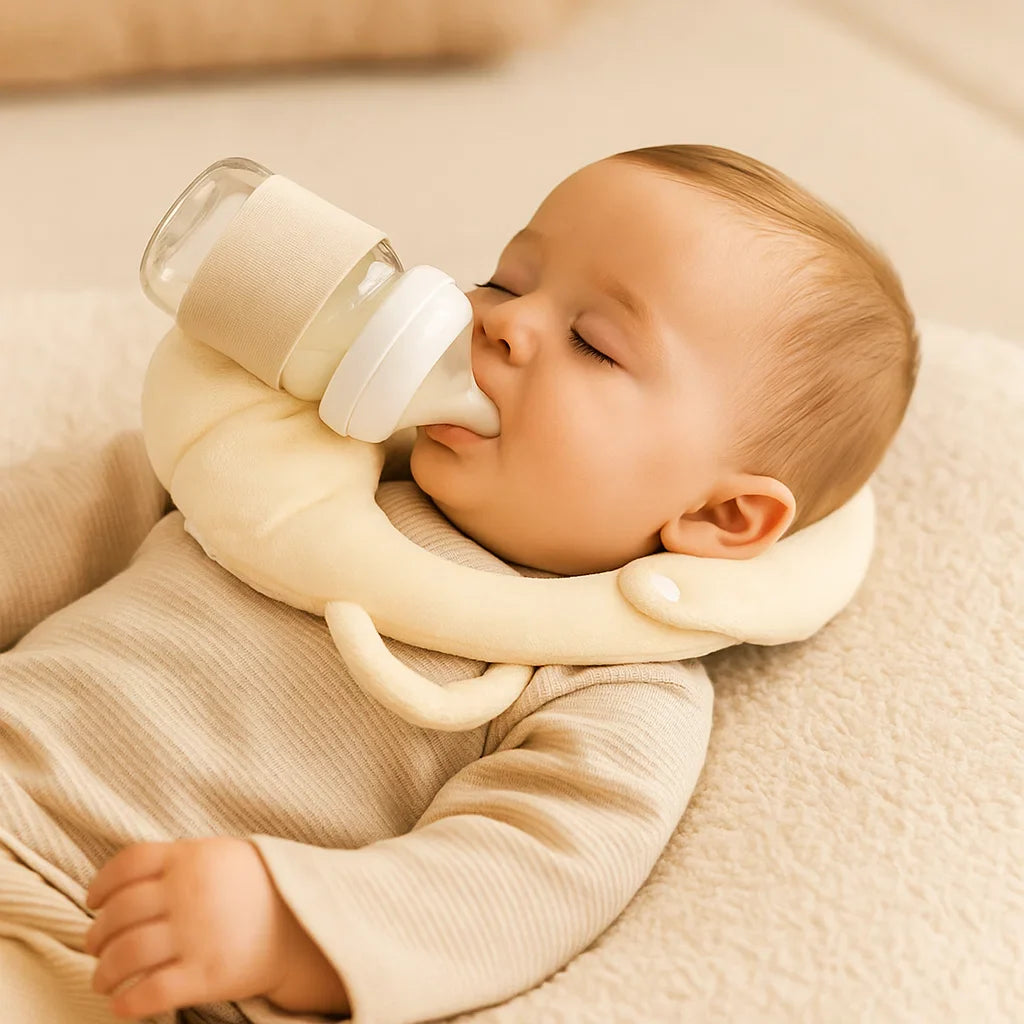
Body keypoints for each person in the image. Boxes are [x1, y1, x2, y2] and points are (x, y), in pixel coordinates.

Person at [0, 144, 918, 1024]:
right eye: (510, 280)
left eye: (593, 343)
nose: (502, 323)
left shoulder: (608, 680)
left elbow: (527, 874)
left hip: (81, 929)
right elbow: (57, 517)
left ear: (718, 518)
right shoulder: (283, 458)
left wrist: (291, 922)